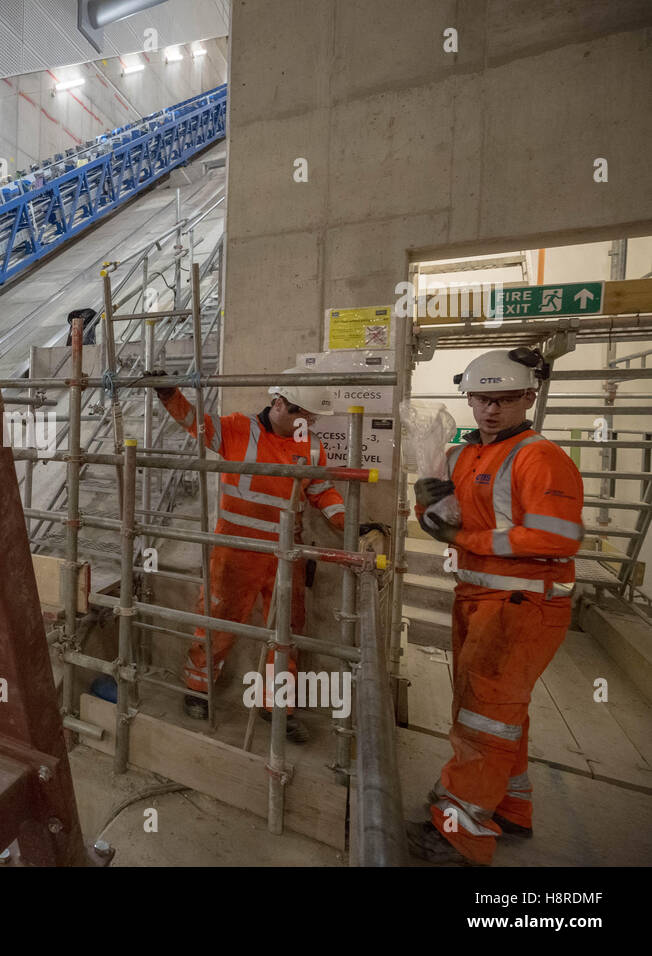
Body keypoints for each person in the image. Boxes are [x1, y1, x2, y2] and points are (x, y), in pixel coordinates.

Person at [406, 348, 584, 865]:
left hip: (523, 604)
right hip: (478, 597)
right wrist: (428, 501)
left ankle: (459, 833)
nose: (491, 410)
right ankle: (509, 808)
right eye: (483, 399)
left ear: (529, 397)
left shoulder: (539, 456)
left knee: (484, 718)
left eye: (505, 400)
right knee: (501, 716)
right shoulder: (463, 454)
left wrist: (469, 536)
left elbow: (558, 537)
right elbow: (441, 522)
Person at [154, 370, 361, 742]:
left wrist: (349, 525)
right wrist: (169, 394)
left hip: (286, 553)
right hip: (237, 550)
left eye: (311, 419)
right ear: (279, 403)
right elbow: (195, 423)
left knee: (287, 631)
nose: (307, 424)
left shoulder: (310, 446)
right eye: (303, 416)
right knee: (218, 618)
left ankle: (276, 705)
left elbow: (322, 490)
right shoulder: (237, 429)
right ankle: (198, 688)